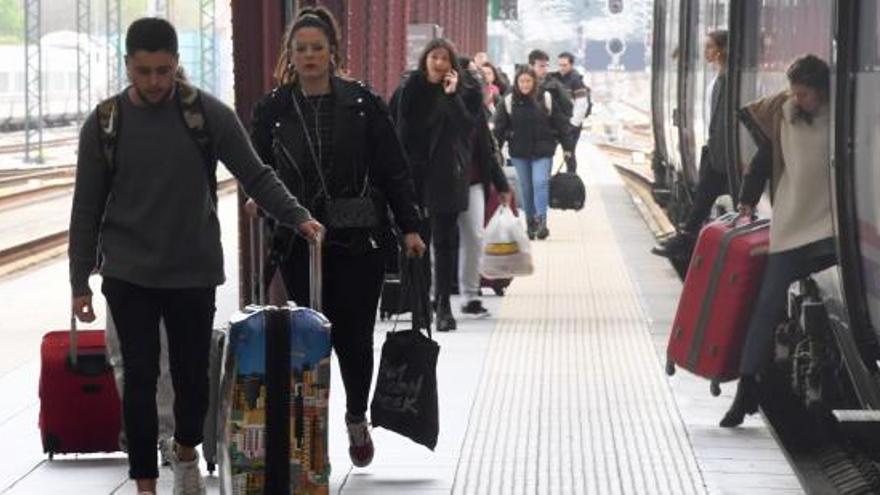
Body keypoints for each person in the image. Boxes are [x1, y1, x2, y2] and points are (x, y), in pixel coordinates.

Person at [68, 17, 323, 495]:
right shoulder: (105, 124)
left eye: (164, 71)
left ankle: (186, 455)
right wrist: (80, 280)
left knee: (191, 378)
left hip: (192, 268)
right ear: (127, 66)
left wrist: (297, 216)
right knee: (139, 378)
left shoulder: (205, 115)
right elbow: (86, 208)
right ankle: (144, 480)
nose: (154, 82)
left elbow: (255, 172)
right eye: (143, 72)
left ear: (176, 64)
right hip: (128, 272)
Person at [248, 7, 426, 466]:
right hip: (297, 241)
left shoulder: (362, 103)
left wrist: (410, 226)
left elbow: (392, 168)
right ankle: (309, 424)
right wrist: (258, 199)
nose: (309, 56)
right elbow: (256, 167)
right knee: (307, 334)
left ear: (332, 52)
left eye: (317, 48)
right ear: (290, 53)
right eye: (301, 49)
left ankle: (354, 416)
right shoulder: (273, 109)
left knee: (354, 334)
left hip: (356, 237)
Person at [720, 54, 837, 427]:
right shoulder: (784, 117)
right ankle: (746, 388)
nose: (797, 99)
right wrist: (746, 203)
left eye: (804, 94)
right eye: (794, 92)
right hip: (790, 225)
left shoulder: (843, 118)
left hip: (833, 230)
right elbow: (761, 162)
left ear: (821, 91)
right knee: (767, 303)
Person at [391, 38, 474, 332]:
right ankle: (420, 306)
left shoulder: (461, 92)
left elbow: (468, 130)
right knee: (417, 243)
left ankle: (443, 306)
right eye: (435, 57)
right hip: (413, 178)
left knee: (444, 242)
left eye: (445, 59)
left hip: (445, 177)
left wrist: (452, 96)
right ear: (425, 59)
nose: (439, 63)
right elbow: (393, 131)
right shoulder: (407, 90)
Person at [653, 30, 731, 258]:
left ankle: (686, 237)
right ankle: (686, 236)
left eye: (709, 46)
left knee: (705, 193)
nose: (705, 51)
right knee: (704, 194)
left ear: (720, 50)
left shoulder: (727, 79)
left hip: (721, 149)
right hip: (714, 146)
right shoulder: (719, 76)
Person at [454, 57, 512, 318]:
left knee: (474, 237)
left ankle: (470, 295)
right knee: (440, 242)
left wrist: (501, 183)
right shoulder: (436, 106)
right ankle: (437, 296)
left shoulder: (476, 110)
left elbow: (486, 149)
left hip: (474, 182)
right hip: (441, 185)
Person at [494, 67, 573, 240]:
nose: (525, 85)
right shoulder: (508, 101)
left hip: (543, 150)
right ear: (517, 82)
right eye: (521, 81)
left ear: (534, 82)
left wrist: (568, 147)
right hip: (519, 152)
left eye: (528, 81)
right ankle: (530, 223)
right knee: (526, 188)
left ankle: (542, 221)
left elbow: (561, 123)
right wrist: (495, 149)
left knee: (540, 183)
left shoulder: (545, 98)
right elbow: (499, 128)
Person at [528, 49, 576, 172]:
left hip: (547, 140)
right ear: (531, 66)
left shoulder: (555, 87)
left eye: (546, 66)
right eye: (541, 66)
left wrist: (567, 146)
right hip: (523, 144)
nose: (545, 69)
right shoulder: (520, 85)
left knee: (542, 180)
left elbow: (564, 115)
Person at [547, 51, 592, 172]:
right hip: (556, 122)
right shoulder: (553, 77)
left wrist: (573, 124)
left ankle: (571, 178)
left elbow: (581, 104)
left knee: (569, 154)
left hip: (571, 124)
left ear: (571, 65)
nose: (561, 68)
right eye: (560, 64)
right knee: (548, 152)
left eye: (564, 65)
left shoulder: (576, 80)